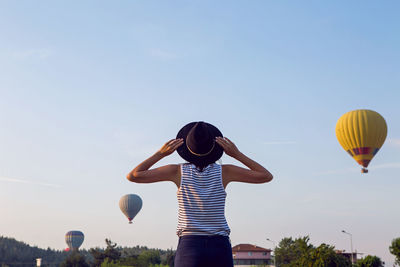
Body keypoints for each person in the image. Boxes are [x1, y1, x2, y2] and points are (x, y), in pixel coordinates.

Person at [127, 121, 273, 267]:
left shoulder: (177, 171)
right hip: (219, 246)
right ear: (216, 148)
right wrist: (236, 154)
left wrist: (161, 153)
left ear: (186, 149)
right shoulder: (225, 172)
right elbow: (265, 176)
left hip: (190, 246)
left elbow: (133, 175)